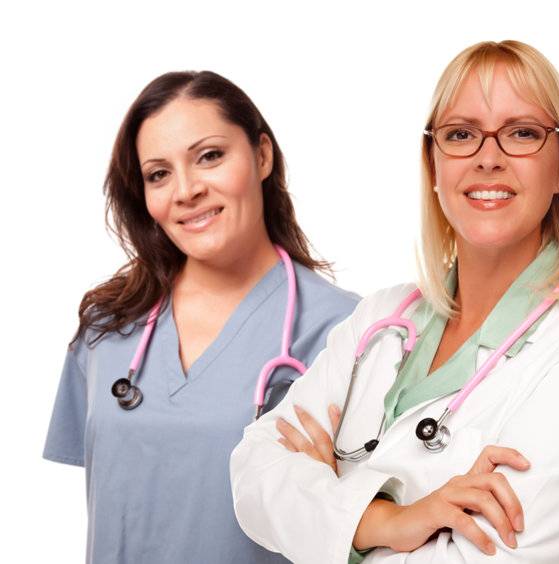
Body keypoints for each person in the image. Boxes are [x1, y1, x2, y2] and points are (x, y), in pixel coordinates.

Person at [228, 40, 559, 563]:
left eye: (521, 133)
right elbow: (252, 471)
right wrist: (388, 520)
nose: (487, 158)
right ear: (433, 164)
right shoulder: (379, 320)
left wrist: (326, 513)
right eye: (460, 135)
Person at [43, 70, 359, 563]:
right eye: (158, 174)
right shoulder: (107, 327)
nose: (186, 190)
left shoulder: (347, 332)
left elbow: (367, 524)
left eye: (209, 156)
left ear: (262, 156)